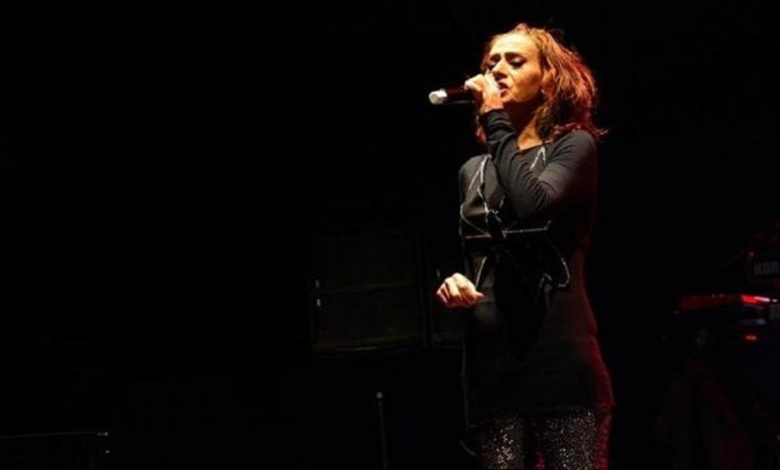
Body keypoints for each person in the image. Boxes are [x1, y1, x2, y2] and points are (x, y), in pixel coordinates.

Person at [435, 23, 614, 469]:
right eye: (491, 63)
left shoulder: (574, 147)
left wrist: (495, 120)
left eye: (515, 62)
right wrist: (455, 282)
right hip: (491, 370)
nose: (497, 71)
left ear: (549, 80)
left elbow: (533, 204)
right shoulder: (472, 171)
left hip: (560, 365)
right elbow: (473, 258)